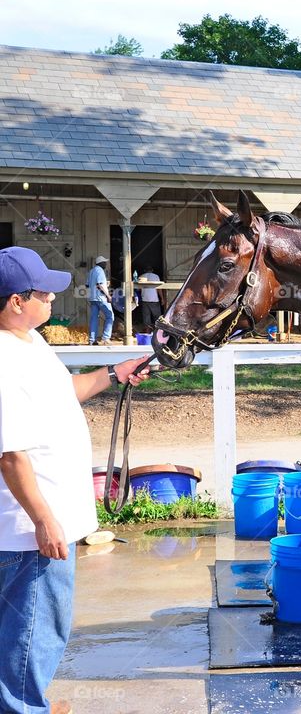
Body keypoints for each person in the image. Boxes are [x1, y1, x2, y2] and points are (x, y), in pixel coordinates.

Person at [0, 247, 151, 714]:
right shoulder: (4, 361)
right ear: (15, 302)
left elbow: (65, 392)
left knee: (27, 625)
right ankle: (24, 707)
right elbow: (10, 454)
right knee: (35, 628)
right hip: (31, 529)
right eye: (42, 292)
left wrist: (114, 372)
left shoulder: (30, 344)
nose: (51, 299)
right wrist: (44, 520)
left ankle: (25, 700)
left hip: (43, 521)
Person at [86, 254, 113, 344]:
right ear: (101, 263)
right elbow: (100, 284)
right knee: (110, 316)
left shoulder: (91, 271)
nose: (106, 264)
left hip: (93, 298)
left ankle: (92, 340)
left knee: (94, 318)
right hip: (101, 298)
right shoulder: (100, 270)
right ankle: (106, 338)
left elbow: (87, 285)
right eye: (105, 263)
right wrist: (108, 296)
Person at [137, 266, 164, 331]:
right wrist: (162, 298)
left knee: (146, 317)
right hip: (154, 299)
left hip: (145, 299)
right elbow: (159, 289)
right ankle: (158, 331)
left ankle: (147, 331)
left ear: (144, 270)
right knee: (157, 316)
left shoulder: (141, 276)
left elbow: (139, 289)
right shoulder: (156, 276)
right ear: (152, 270)